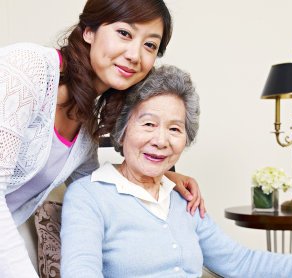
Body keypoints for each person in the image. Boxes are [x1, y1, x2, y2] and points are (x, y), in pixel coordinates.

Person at [0, 1, 205, 277]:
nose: (135, 55)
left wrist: (163, 178)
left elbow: (97, 188)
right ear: (89, 31)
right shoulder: (26, 70)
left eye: (150, 45)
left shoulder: (85, 132)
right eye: (124, 33)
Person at [61, 65, 292, 278]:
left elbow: (241, 263)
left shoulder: (183, 198)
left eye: (175, 129)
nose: (161, 140)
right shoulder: (88, 195)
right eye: (149, 124)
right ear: (122, 129)